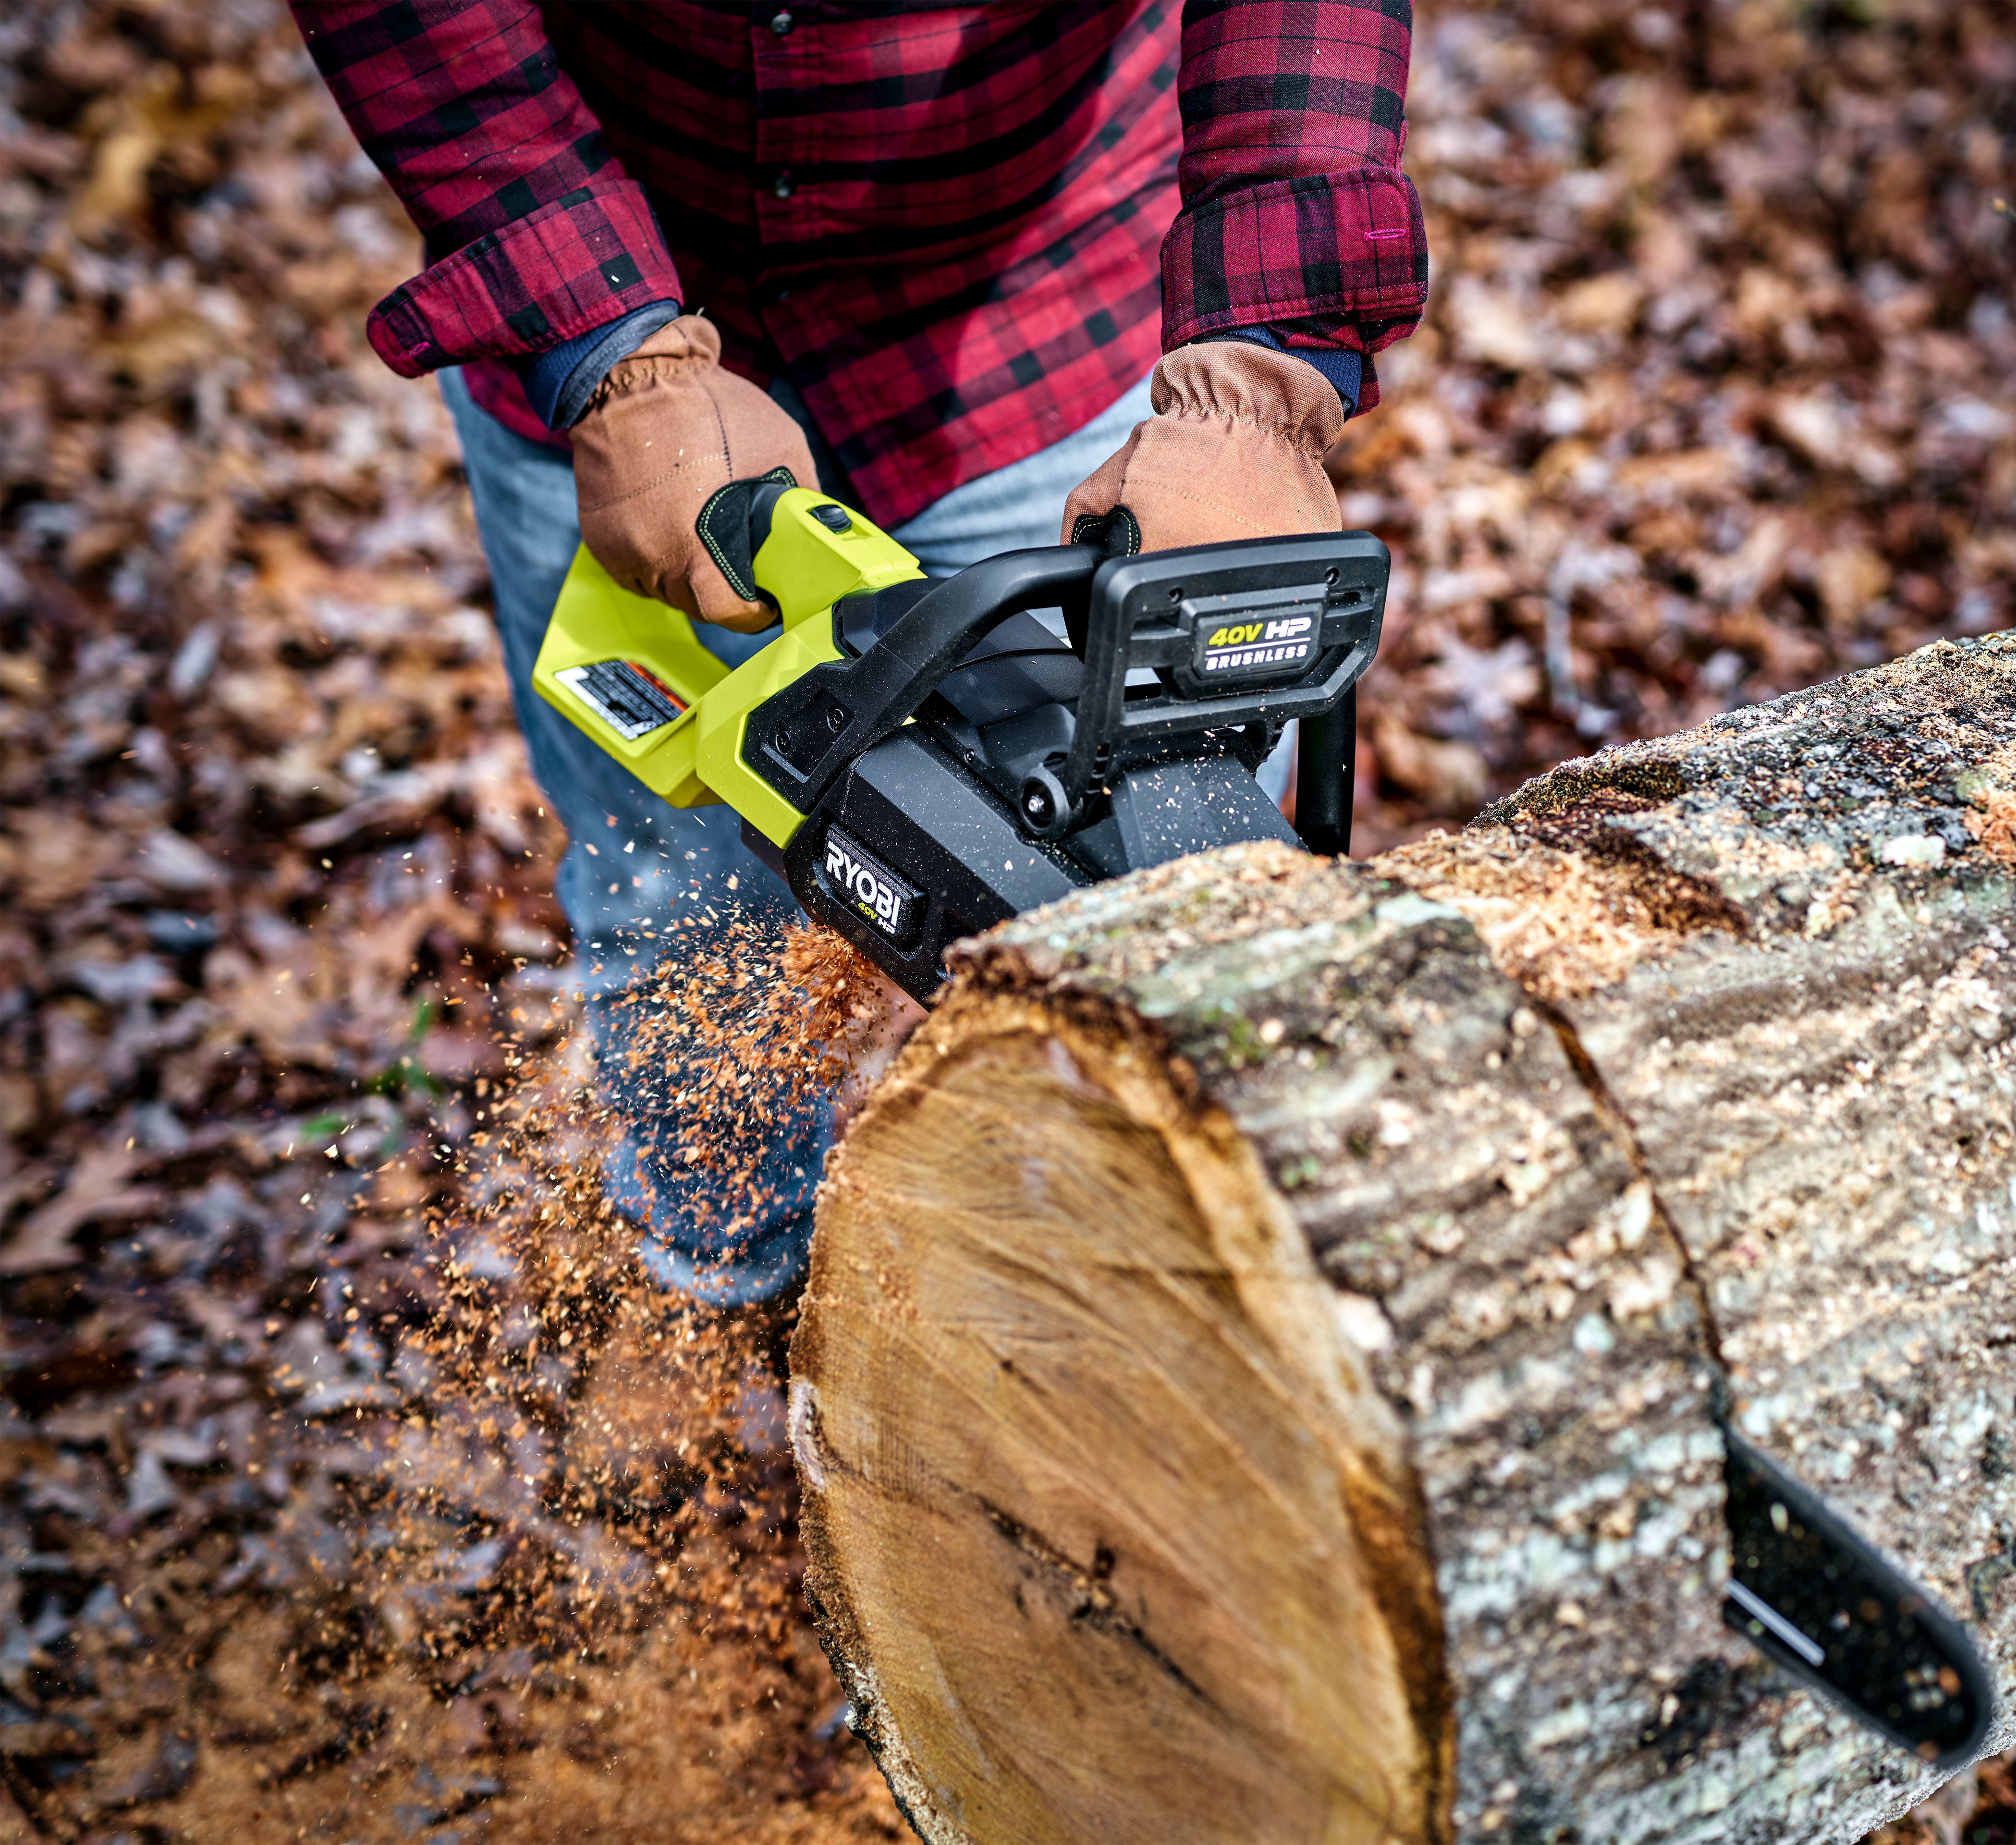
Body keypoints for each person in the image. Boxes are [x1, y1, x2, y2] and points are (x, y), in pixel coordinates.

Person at [289, 1, 1428, 1310]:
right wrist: (607, 356)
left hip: (1030, 313)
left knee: (1173, 883)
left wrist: (1258, 378)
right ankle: (724, 1286)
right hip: (615, 272)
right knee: (680, 912)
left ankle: (1135, 1317)